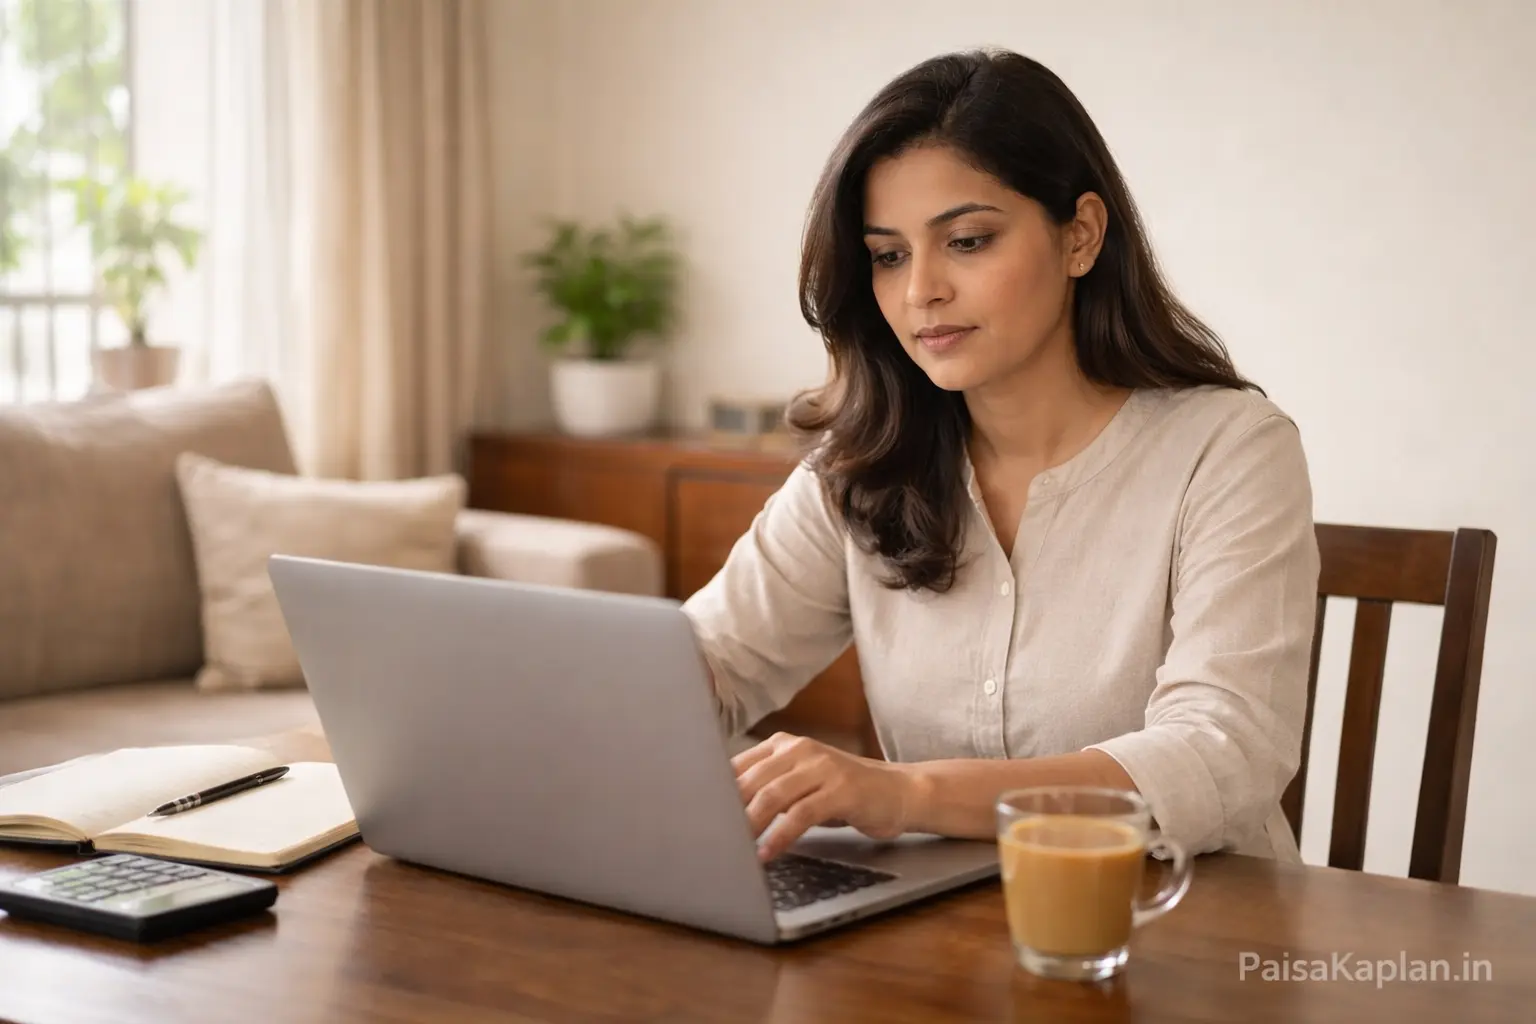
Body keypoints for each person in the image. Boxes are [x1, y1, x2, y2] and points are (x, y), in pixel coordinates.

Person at [681, 48, 1320, 866]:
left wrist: (906, 794)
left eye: (969, 240)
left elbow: (1225, 750)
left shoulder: (1230, 449)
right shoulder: (865, 462)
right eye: (888, 255)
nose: (921, 293)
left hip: (1189, 937)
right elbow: (713, 663)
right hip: (939, 943)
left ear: (1081, 236)